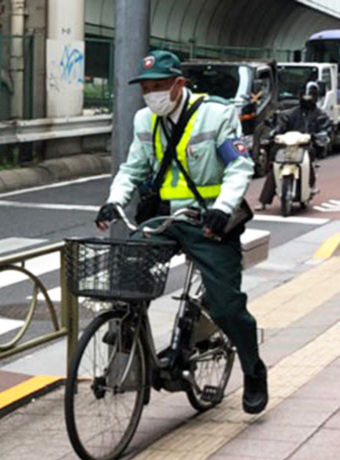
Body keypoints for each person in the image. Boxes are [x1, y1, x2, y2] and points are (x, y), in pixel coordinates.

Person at [96, 50, 269, 415]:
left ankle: (254, 371)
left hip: (210, 221)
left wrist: (222, 209)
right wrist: (114, 201)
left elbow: (239, 166)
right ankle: (127, 328)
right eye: (146, 88)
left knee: (226, 306)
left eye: (158, 86)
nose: (151, 94)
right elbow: (132, 169)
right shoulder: (145, 120)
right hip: (167, 220)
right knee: (127, 265)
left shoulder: (216, 114)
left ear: (178, 84)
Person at [258, 80, 332, 208]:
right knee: (275, 166)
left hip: (307, 146)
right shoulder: (291, 113)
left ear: (315, 97)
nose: (307, 98)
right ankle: (264, 201)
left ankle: (310, 186)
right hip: (288, 145)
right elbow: (280, 125)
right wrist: (272, 133)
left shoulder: (320, 115)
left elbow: (326, 129)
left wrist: (320, 136)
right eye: (305, 95)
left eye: (310, 96)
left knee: (309, 160)